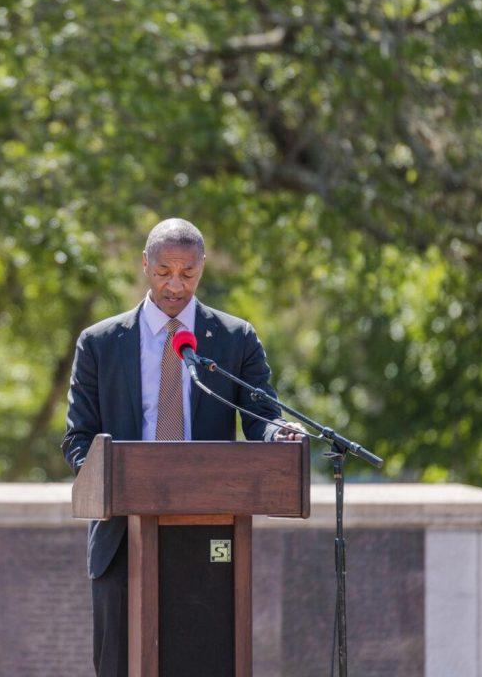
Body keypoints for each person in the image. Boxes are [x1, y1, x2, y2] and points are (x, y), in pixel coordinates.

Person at [62, 217, 304, 677]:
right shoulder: (99, 343)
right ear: (144, 265)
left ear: (203, 268)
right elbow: (77, 439)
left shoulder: (234, 339)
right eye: (164, 271)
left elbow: (261, 417)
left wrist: (279, 434)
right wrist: (106, 472)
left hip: (210, 532)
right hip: (121, 539)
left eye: (188, 273)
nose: (175, 285)